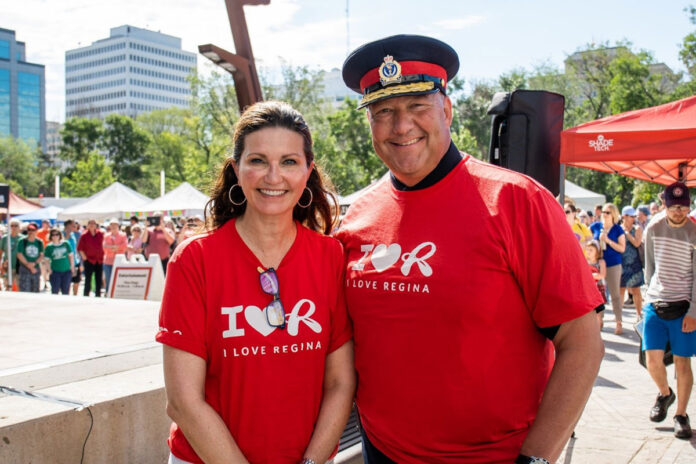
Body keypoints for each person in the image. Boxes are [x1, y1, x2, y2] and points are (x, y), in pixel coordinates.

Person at [335, 34, 604, 464]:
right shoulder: (355, 219)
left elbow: (583, 342)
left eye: (417, 106)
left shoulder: (519, 202)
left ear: (447, 108)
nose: (401, 126)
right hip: (382, 451)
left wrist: (536, 458)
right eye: (383, 111)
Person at [156, 101, 355, 464]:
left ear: (308, 170)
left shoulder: (331, 257)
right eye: (258, 160)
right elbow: (183, 401)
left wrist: (312, 462)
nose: (273, 176)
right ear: (237, 169)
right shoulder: (194, 260)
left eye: (289, 162)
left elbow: (340, 382)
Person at [642, 182, 696, 439]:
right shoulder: (653, 228)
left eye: (683, 207)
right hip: (656, 302)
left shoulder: (694, 232)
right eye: (674, 207)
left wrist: (694, 311)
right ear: (665, 205)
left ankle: (681, 415)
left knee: (682, 363)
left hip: (683, 305)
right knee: (652, 360)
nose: (678, 211)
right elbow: (649, 267)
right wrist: (646, 299)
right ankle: (665, 394)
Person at [599, 203, 627, 334]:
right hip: (598, 264)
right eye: (603, 212)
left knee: (615, 294)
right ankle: (600, 320)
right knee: (599, 293)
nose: (604, 214)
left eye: (607, 212)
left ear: (613, 214)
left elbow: (622, 248)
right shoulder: (596, 227)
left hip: (613, 264)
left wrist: (608, 240)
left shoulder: (617, 229)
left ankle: (618, 322)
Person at [620, 206, 644, 318]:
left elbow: (637, 243)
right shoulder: (618, 229)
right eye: (631, 216)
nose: (634, 218)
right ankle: (618, 319)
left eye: (634, 216)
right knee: (620, 291)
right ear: (624, 216)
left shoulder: (637, 228)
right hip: (622, 264)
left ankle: (639, 315)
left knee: (636, 291)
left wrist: (627, 234)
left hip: (634, 264)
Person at [77, 219, 104, 297]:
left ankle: (98, 295)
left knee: (98, 279)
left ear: (96, 225)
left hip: (99, 260)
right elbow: (80, 248)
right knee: (88, 279)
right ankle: (86, 295)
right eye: (90, 223)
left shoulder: (100, 234)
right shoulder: (84, 235)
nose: (92, 225)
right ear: (87, 225)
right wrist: (85, 258)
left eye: (93, 223)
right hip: (89, 260)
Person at [44, 228, 75, 295]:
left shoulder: (66, 243)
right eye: (53, 235)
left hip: (66, 270)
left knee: (66, 291)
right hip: (55, 271)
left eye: (57, 234)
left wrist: (72, 267)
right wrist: (49, 270)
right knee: (55, 290)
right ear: (50, 236)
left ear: (60, 235)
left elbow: (71, 256)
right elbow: (46, 260)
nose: (55, 236)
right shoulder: (49, 247)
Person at [103, 218, 127, 296]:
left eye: (115, 225)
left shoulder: (123, 235)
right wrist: (116, 247)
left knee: (118, 279)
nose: (113, 226)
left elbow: (124, 246)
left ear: (118, 226)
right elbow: (105, 246)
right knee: (108, 278)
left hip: (119, 261)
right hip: (108, 261)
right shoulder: (106, 235)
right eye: (112, 225)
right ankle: (108, 293)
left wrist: (114, 247)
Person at [16, 223, 44, 293]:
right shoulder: (22, 241)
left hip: (36, 268)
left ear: (36, 231)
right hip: (25, 268)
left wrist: (34, 264)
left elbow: (41, 255)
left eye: (33, 230)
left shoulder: (39, 242)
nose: (31, 232)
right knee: (25, 290)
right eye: (29, 230)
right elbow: (19, 254)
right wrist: (29, 266)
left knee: (35, 290)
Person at [586, 240, 607, 328]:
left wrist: (593, 275)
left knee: (598, 311)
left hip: (598, 288)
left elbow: (602, 275)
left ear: (597, 251)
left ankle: (599, 324)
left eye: (591, 250)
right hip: (588, 288)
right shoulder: (585, 261)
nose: (588, 252)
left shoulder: (601, 262)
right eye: (588, 250)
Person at [1, 218, 22, 291]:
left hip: (19, 266)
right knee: (7, 286)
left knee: (20, 286)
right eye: (12, 225)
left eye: (16, 225)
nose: (14, 227)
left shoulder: (22, 239)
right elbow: (1, 252)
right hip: (8, 266)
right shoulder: (5, 238)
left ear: (19, 227)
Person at [63, 219, 82, 295]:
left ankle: (75, 295)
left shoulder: (73, 234)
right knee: (67, 281)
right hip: (67, 262)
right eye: (73, 225)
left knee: (76, 281)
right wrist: (67, 234)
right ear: (68, 225)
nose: (75, 226)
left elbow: (75, 248)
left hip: (75, 261)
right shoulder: (62, 234)